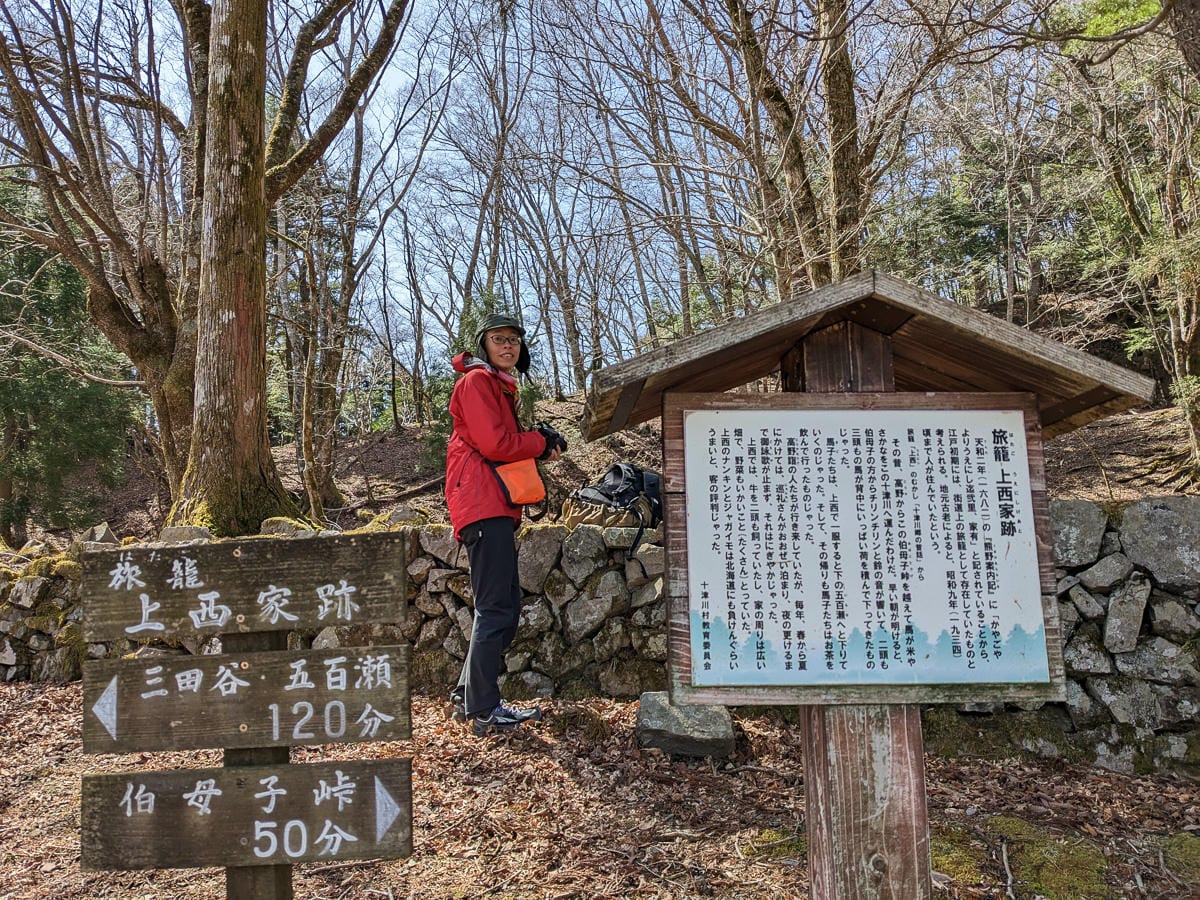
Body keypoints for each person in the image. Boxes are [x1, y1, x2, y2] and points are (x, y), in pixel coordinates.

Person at [444, 313, 566, 736]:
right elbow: (496, 444)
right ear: (484, 345)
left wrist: (537, 443)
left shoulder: (498, 387)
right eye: (498, 339)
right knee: (496, 609)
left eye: (513, 339)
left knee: (504, 609)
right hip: (482, 504)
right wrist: (539, 442)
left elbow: (503, 443)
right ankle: (483, 710)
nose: (508, 345)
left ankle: (467, 695)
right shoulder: (477, 382)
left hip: (491, 506)